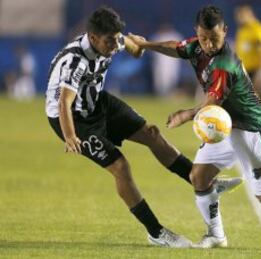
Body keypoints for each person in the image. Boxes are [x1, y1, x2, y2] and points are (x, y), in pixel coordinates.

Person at [45, 6, 240, 248]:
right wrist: (71, 136)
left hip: (96, 101)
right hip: (73, 120)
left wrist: (135, 46)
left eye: (117, 38)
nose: (115, 44)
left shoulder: (110, 39)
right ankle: (156, 232)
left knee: (152, 133)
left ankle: (201, 182)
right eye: (110, 41)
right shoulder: (75, 60)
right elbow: (64, 102)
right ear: (93, 38)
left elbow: (132, 48)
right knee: (120, 166)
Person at [128, 5, 261, 253]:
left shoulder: (225, 64)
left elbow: (211, 105)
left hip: (252, 129)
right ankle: (215, 234)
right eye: (203, 37)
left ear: (225, 32)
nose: (208, 44)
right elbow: (176, 47)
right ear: (197, 32)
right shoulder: (197, 44)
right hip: (224, 126)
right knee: (199, 176)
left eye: (214, 38)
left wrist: (185, 114)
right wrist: (146, 44)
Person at [234, 5, 261, 93]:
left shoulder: (258, 29)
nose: (238, 19)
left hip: (254, 69)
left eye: (240, 16)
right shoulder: (242, 30)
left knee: (251, 96)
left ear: (248, 14)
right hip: (242, 68)